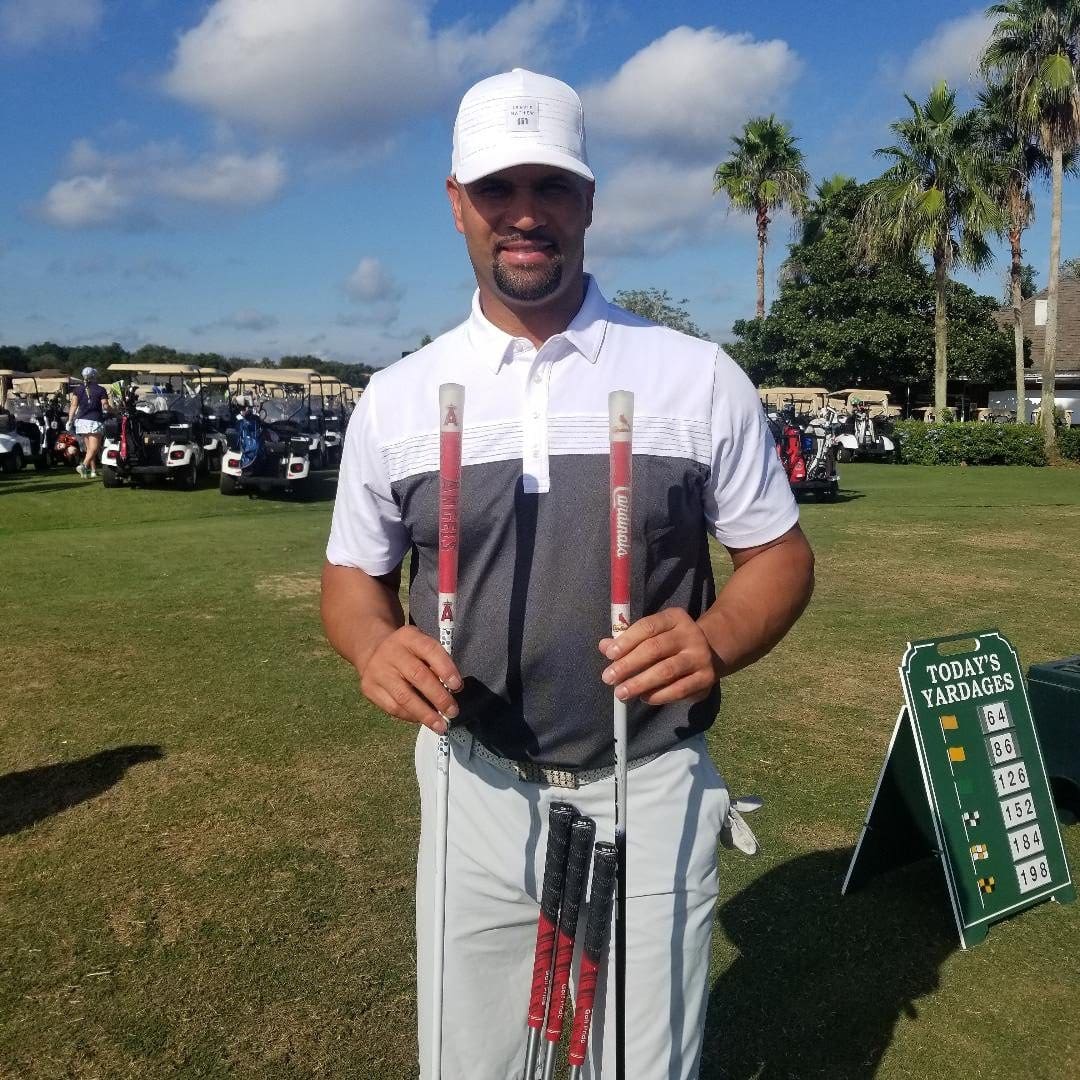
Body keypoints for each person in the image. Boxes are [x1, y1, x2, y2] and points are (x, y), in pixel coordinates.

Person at [321, 69, 815, 1079]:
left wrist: (714, 639)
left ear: (589, 200)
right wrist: (373, 643)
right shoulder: (400, 399)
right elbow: (353, 579)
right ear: (457, 201)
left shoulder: (691, 375)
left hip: (653, 777)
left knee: (637, 1067)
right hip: (473, 782)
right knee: (473, 1062)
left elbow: (779, 556)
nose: (526, 215)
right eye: (499, 190)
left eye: (552, 186)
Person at [67, 366, 109, 478]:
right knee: (94, 448)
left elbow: (73, 406)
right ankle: (84, 465)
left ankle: (92, 471)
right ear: (95, 376)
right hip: (95, 420)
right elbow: (105, 406)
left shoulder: (78, 389)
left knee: (89, 449)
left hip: (81, 421)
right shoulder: (101, 389)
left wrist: (70, 419)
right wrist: (113, 410)